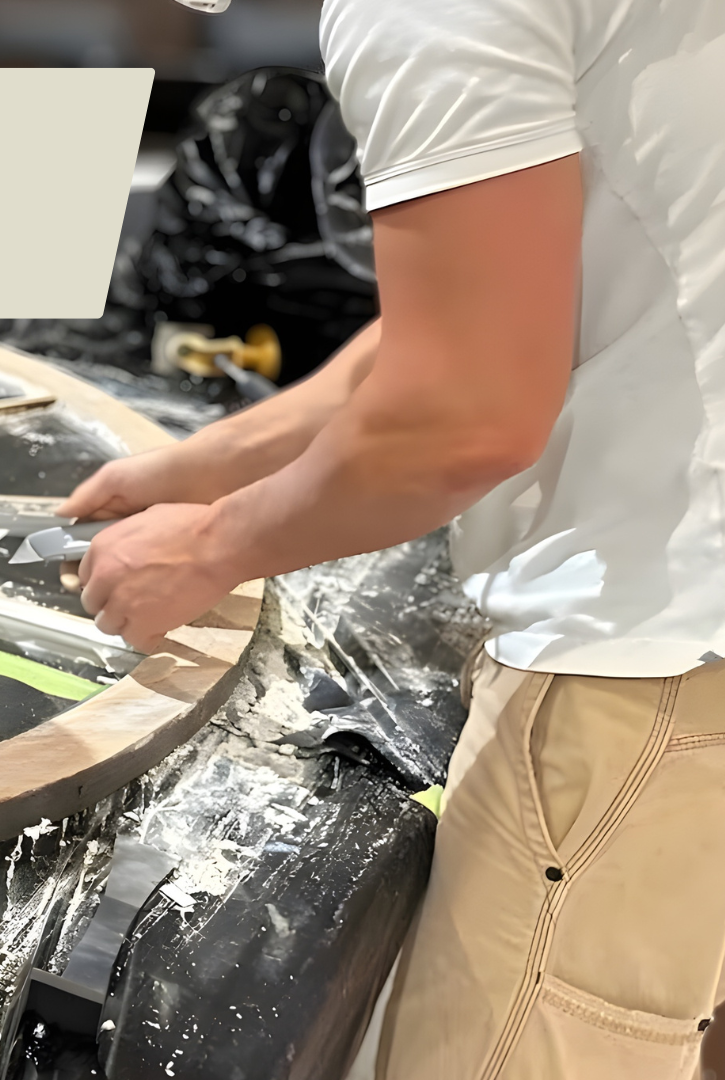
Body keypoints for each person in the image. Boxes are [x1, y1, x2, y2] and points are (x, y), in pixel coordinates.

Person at [63, 0, 725, 1075]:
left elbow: (462, 413)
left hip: (654, 648)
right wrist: (209, 465)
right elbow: (486, 288)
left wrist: (209, 548)